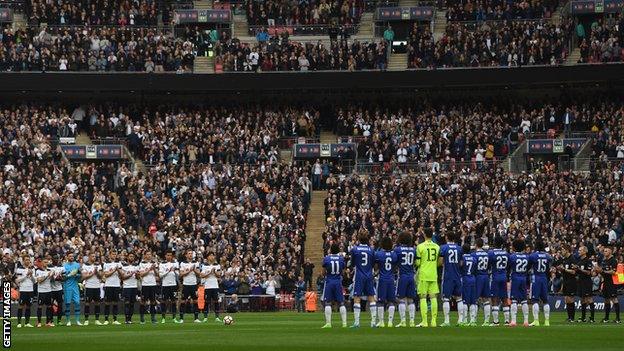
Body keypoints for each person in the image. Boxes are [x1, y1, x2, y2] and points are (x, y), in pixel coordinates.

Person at [349, 231, 377, 328]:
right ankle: (373, 322)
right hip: (369, 275)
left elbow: (352, 264)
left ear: (359, 239)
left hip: (359, 276)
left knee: (357, 297)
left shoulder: (355, 249)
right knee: (371, 297)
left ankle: (357, 323)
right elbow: (373, 264)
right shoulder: (372, 250)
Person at [415, 228, 440, 327]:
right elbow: (439, 261)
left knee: (423, 297)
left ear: (424, 235)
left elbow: (417, 262)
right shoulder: (437, 247)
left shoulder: (420, 247)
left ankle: (424, 322)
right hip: (433, 274)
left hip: (423, 274)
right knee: (433, 297)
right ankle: (433, 321)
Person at [439, 232, 464, 327]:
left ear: (446, 238)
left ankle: (446, 321)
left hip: (448, 276)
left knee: (446, 299)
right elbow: (461, 263)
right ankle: (460, 320)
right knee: (459, 298)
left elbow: (441, 262)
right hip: (457, 275)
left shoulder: (443, 248)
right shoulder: (459, 248)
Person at [321, 243, 347, 328]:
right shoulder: (341, 259)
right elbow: (343, 272)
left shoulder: (326, 258)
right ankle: (344, 323)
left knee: (328, 302)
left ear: (331, 250)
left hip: (329, 281)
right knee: (341, 302)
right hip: (338, 281)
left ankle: (328, 323)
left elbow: (323, 272)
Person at [393, 232, 417, 327]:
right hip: (411, 276)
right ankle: (412, 321)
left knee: (401, 299)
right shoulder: (413, 250)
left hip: (402, 276)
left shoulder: (397, 250)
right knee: (411, 300)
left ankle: (403, 321)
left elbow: (394, 261)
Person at [374, 236, 398, 327]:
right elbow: (395, 266)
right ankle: (390, 322)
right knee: (391, 301)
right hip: (391, 279)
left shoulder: (379, 254)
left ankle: (381, 322)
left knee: (380, 301)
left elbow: (376, 267)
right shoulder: (394, 255)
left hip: (382, 279)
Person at [529, 241, 552, 326]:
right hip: (544, 278)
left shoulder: (533, 255)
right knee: (545, 300)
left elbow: (529, 265)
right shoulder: (547, 256)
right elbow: (550, 261)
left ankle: (536, 321)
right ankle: (547, 321)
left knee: (535, 300)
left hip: (536, 278)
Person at [489, 237, 510, 325]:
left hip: (495, 277)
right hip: (504, 277)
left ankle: (496, 321)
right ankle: (506, 321)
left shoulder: (491, 253)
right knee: (505, 299)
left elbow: (488, 264)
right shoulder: (506, 253)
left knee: (494, 299)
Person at [509, 239, 530, 327]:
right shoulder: (527, 257)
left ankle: (513, 321)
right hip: (523, 278)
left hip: (515, 278)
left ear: (514, 247)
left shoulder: (512, 256)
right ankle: (526, 321)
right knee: (524, 300)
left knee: (514, 300)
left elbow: (509, 267)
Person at [598, 246, 620, 323]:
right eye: (604, 251)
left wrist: (603, 271)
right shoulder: (604, 261)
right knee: (606, 300)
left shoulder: (613, 260)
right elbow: (602, 271)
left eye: (606, 251)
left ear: (610, 251)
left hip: (612, 282)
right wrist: (599, 271)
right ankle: (606, 318)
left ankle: (618, 318)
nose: (604, 252)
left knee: (614, 299)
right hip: (605, 282)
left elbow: (613, 272)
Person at [556, 244, 578, 322]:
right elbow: (564, 269)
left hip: (571, 281)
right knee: (566, 299)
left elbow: (574, 271)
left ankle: (572, 318)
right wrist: (560, 269)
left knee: (570, 299)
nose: (561, 251)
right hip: (565, 281)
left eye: (562, 250)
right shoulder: (564, 259)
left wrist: (564, 269)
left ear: (567, 250)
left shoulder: (572, 259)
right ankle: (569, 317)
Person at [473, 238, 492, 326]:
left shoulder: (474, 254)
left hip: (478, 277)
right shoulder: (487, 254)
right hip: (485, 276)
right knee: (486, 299)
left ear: (476, 245)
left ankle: (474, 320)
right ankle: (486, 321)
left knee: (475, 299)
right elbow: (489, 266)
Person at [178, 249, 200, 323]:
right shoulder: (183, 263)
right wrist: (189, 271)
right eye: (189, 253)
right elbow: (180, 274)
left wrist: (194, 270)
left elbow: (199, 274)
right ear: (186, 255)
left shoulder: (196, 263)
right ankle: (181, 319)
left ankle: (196, 318)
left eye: (191, 253)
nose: (190, 255)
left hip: (194, 284)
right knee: (183, 301)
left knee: (195, 301)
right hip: (186, 284)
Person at [199, 252, 222, 322]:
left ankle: (217, 317)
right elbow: (201, 275)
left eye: (213, 255)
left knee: (216, 301)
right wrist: (209, 272)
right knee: (206, 302)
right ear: (207, 257)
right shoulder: (204, 265)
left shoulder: (217, 265)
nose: (212, 257)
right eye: (210, 255)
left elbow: (219, 275)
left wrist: (214, 272)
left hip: (215, 286)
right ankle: (205, 317)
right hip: (207, 286)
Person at [81, 252, 102, 325]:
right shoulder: (85, 265)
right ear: (89, 257)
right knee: (87, 303)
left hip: (97, 286)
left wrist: (97, 273)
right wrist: (93, 273)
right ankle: (86, 320)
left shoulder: (98, 265)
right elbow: (84, 277)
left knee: (97, 303)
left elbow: (101, 276)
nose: (94, 257)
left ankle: (97, 319)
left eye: (95, 256)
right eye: (92, 256)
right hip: (89, 286)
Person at [102, 250, 123, 325]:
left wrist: (118, 270)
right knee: (107, 302)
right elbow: (106, 275)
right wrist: (114, 270)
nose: (114, 255)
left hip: (116, 285)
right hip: (108, 285)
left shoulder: (119, 263)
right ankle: (106, 319)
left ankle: (115, 319)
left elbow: (122, 274)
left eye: (115, 254)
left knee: (115, 302)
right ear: (110, 255)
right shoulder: (106, 264)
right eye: (113, 254)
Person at [138, 251, 159, 324]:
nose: (149, 256)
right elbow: (141, 274)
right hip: (145, 285)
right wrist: (149, 269)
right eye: (147, 254)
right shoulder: (142, 264)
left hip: (153, 285)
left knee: (153, 302)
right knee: (143, 302)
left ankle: (153, 318)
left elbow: (157, 275)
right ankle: (142, 318)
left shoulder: (154, 263)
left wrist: (154, 269)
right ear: (145, 255)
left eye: (150, 254)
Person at [576, 245, 595, 323]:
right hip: (580, 282)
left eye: (580, 250)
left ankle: (592, 318)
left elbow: (589, 272)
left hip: (587, 282)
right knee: (583, 300)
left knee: (589, 299)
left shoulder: (588, 261)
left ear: (585, 251)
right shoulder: (580, 261)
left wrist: (579, 269)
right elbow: (579, 272)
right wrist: (576, 269)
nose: (578, 251)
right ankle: (583, 317)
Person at [159, 250, 179, 323]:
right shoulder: (162, 264)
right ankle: (163, 318)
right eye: (168, 255)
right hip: (165, 285)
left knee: (174, 301)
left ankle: (174, 318)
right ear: (165, 256)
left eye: (170, 255)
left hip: (173, 285)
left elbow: (178, 274)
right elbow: (160, 275)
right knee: (164, 301)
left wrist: (174, 271)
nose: (169, 257)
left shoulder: (175, 263)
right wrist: (168, 271)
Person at [16, 255, 36, 328]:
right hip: (23, 290)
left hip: (30, 290)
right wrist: (26, 275)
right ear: (23, 261)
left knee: (28, 306)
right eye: (26, 260)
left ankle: (27, 322)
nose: (27, 261)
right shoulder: (19, 269)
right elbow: (18, 280)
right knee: (21, 306)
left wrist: (31, 276)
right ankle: (19, 323)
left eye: (28, 260)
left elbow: (34, 281)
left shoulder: (32, 269)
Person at [63, 252, 82, 326]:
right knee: (67, 303)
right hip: (67, 286)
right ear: (67, 257)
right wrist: (69, 274)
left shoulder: (77, 265)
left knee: (77, 302)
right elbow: (62, 277)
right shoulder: (64, 266)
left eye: (72, 256)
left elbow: (80, 275)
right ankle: (68, 321)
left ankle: (77, 320)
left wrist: (76, 274)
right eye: (70, 256)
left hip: (75, 286)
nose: (71, 257)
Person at [120, 253, 139, 324]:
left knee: (132, 303)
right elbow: (122, 277)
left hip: (134, 286)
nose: (132, 257)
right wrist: (131, 274)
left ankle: (130, 319)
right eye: (130, 256)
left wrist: (137, 275)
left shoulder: (136, 266)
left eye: (133, 256)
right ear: (127, 257)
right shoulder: (124, 266)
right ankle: (126, 319)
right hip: (127, 287)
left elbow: (138, 278)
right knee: (127, 303)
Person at [35, 257, 54, 327]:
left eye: (47, 262)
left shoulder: (49, 270)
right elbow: (39, 281)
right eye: (45, 262)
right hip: (41, 291)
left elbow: (52, 280)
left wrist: (53, 276)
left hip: (49, 290)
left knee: (49, 306)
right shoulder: (38, 271)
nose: (46, 263)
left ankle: (48, 322)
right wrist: (47, 275)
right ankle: (39, 322)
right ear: (42, 263)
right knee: (40, 306)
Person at [461, 244, 477, 326]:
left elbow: (460, 267)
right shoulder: (474, 258)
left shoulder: (462, 258)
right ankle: (473, 320)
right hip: (473, 278)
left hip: (465, 279)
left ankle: (465, 320)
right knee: (472, 301)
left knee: (465, 301)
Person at [50, 255, 65, 325]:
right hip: (51, 289)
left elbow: (64, 278)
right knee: (51, 305)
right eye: (54, 258)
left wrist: (60, 278)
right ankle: (51, 320)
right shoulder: (49, 267)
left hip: (59, 289)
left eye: (57, 258)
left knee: (60, 305)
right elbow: (49, 279)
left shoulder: (61, 267)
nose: (56, 260)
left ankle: (59, 320)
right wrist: (55, 278)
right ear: (52, 259)